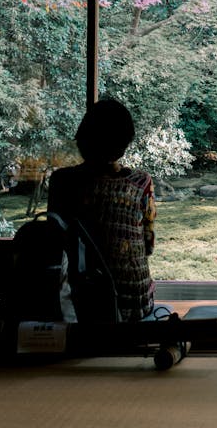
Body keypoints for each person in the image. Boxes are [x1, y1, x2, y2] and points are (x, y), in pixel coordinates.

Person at [48, 99, 157, 322]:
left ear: (82, 139)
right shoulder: (141, 183)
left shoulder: (61, 181)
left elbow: (54, 241)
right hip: (132, 305)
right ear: (124, 143)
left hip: (77, 306)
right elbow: (148, 245)